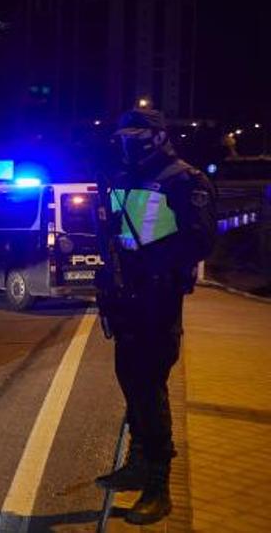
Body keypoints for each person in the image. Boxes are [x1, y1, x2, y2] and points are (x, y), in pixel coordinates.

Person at [93, 108, 217, 525]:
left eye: (136, 135)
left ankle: (159, 487)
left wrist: (154, 265)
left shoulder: (185, 179)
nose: (128, 143)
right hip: (125, 296)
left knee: (150, 387)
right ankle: (137, 462)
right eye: (123, 135)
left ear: (158, 136)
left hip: (158, 297)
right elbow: (113, 232)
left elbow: (199, 240)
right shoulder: (121, 177)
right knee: (129, 381)